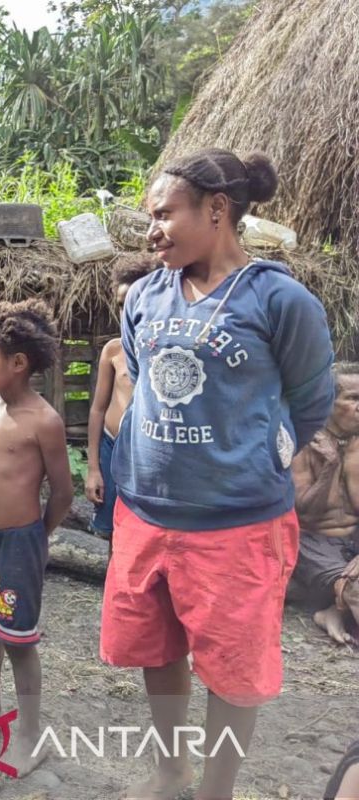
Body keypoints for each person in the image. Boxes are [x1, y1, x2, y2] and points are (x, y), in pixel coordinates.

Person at [103, 148, 334, 800]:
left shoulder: (278, 300)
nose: (152, 230)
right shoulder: (145, 294)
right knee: (156, 649)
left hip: (237, 525)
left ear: (216, 209)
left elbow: (312, 397)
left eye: (164, 214)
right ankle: (172, 771)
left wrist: (260, 453)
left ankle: (217, 790)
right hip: (145, 513)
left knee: (233, 669)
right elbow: (145, 385)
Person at [0, 298, 73, 777]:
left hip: (16, 543)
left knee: (19, 640)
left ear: (18, 364)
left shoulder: (44, 421)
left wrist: (36, 537)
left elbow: (63, 492)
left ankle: (29, 735)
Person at [84, 256, 155, 543]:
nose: (128, 311)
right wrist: (93, 469)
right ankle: (114, 588)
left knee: (140, 530)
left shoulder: (166, 350)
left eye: (135, 301)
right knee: (111, 532)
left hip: (145, 451)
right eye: (121, 304)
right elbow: (98, 409)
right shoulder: (113, 350)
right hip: (111, 446)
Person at [291, 364, 359, 645]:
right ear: (328, 402)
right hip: (315, 541)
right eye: (354, 398)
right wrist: (329, 465)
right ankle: (340, 600)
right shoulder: (304, 441)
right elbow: (304, 511)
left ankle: (333, 609)